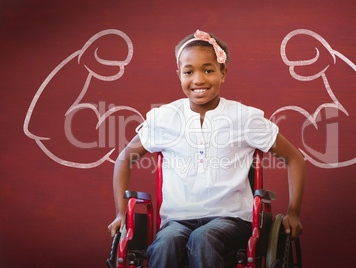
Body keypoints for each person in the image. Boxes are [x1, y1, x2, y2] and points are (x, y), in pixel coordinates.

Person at [108, 29, 305, 268]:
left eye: (208, 70)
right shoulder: (164, 118)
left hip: (231, 219)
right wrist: (121, 213)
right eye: (189, 72)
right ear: (179, 75)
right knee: (164, 244)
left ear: (223, 73)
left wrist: (293, 211)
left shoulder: (244, 117)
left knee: (203, 238)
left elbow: (294, 158)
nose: (198, 79)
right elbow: (124, 159)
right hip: (177, 220)